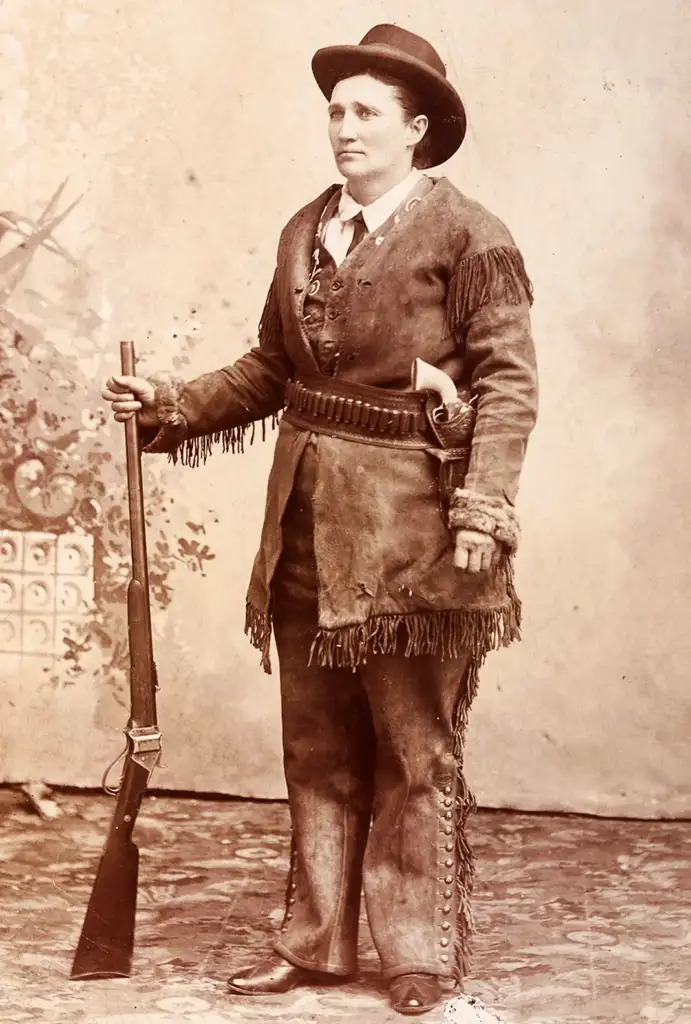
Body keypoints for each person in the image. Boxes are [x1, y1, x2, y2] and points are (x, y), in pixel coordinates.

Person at [103, 24, 538, 1017]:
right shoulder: (305, 230)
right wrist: (169, 401)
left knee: (412, 749)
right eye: (334, 111)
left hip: (412, 535)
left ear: (415, 129)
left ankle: (414, 952)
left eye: (365, 113)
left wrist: (482, 509)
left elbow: (507, 385)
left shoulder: (473, 237)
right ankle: (313, 942)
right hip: (301, 526)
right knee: (314, 746)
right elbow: (270, 368)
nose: (342, 128)